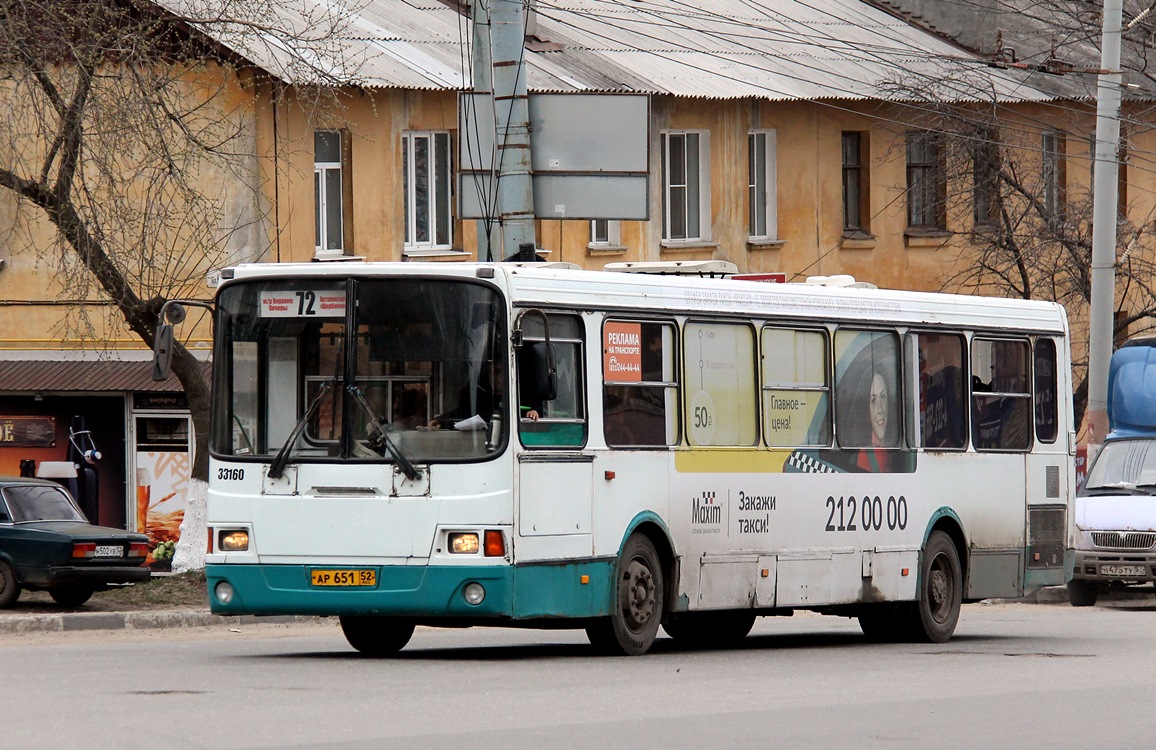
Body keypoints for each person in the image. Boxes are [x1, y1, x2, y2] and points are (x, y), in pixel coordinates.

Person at [857, 371, 893, 472]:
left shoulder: (895, 448)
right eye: (873, 401)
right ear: (867, 411)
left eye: (883, 397)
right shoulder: (865, 456)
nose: (880, 409)